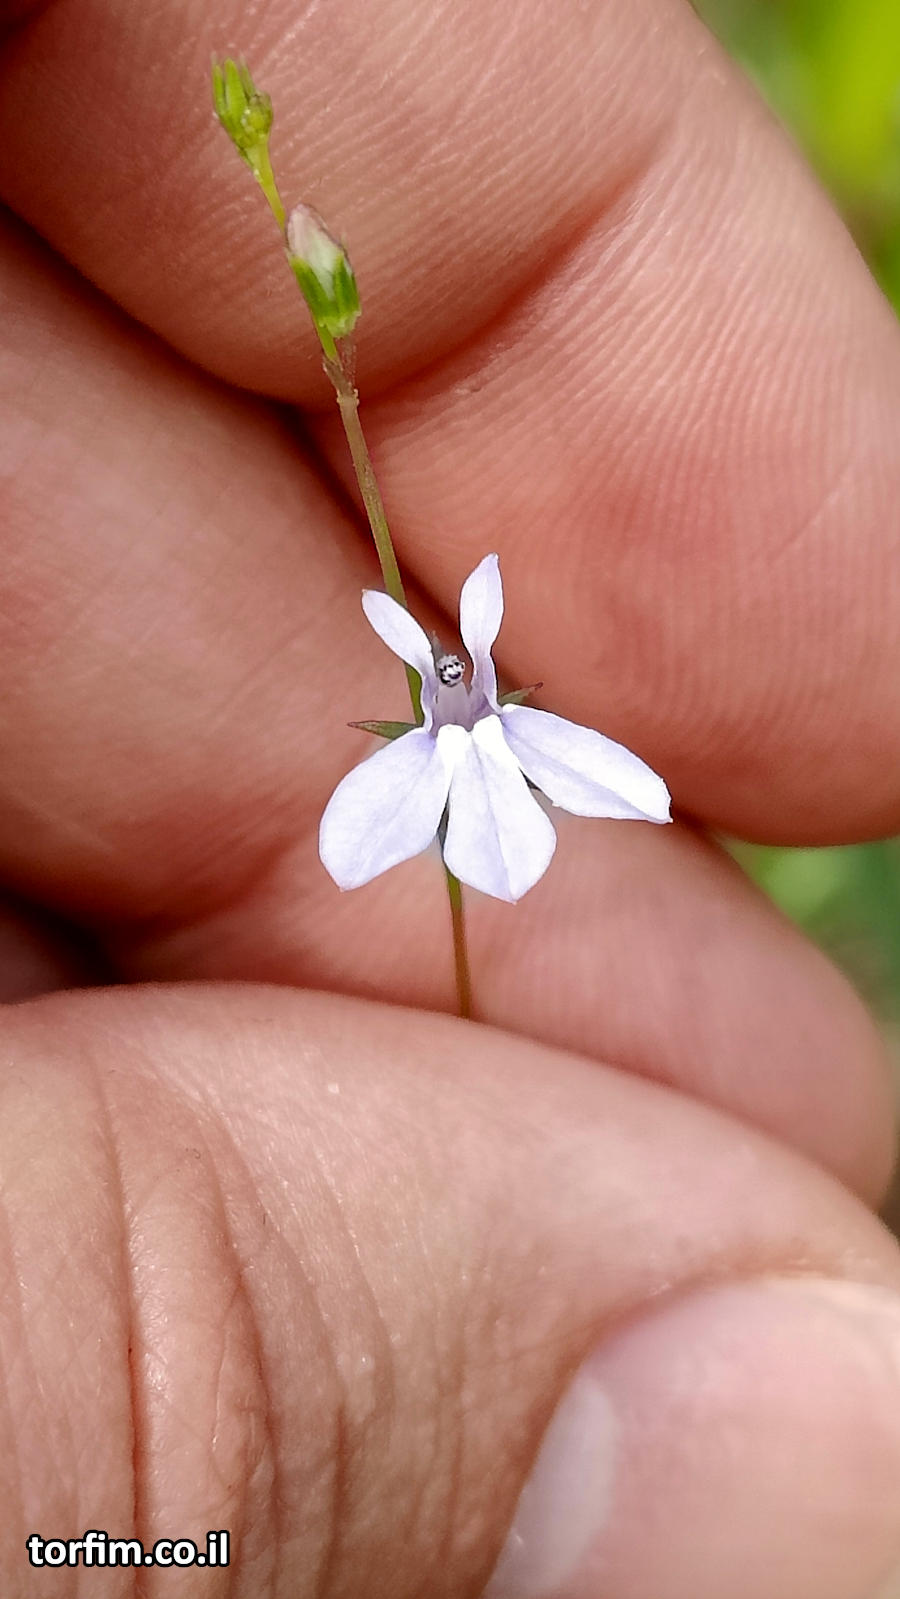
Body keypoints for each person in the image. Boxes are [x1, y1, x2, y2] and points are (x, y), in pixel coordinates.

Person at [0, 0, 899, 1594]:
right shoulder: (399, 779)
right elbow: (385, 825)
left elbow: (617, 784)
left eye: (466, 667)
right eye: (449, 672)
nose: (465, 684)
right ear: (429, 671)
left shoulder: (513, 746)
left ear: (476, 658)